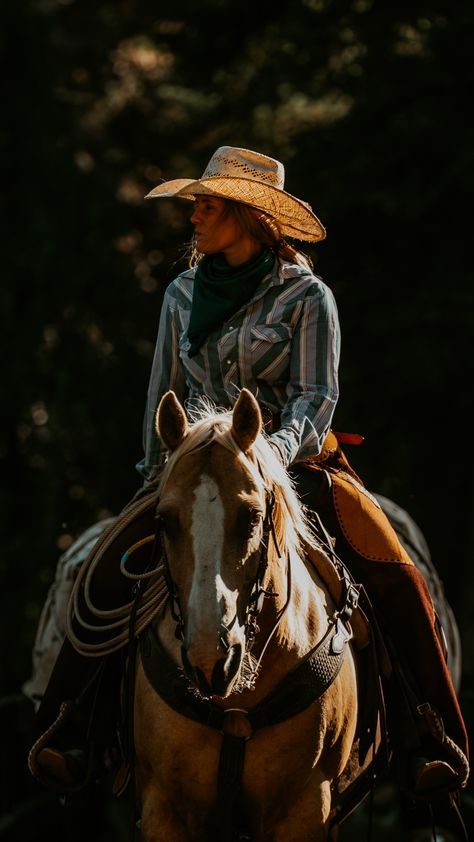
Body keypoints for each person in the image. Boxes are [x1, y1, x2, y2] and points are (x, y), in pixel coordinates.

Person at [29, 146, 469, 807]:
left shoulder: (307, 298)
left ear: (249, 216)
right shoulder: (180, 293)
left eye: (207, 205)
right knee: (102, 570)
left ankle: (429, 737)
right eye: (197, 206)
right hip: (190, 468)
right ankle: (70, 730)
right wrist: (156, 480)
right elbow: (163, 397)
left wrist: (268, 460)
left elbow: (316, 397)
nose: (196, 218)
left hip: (297, 465)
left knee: (394, 571)